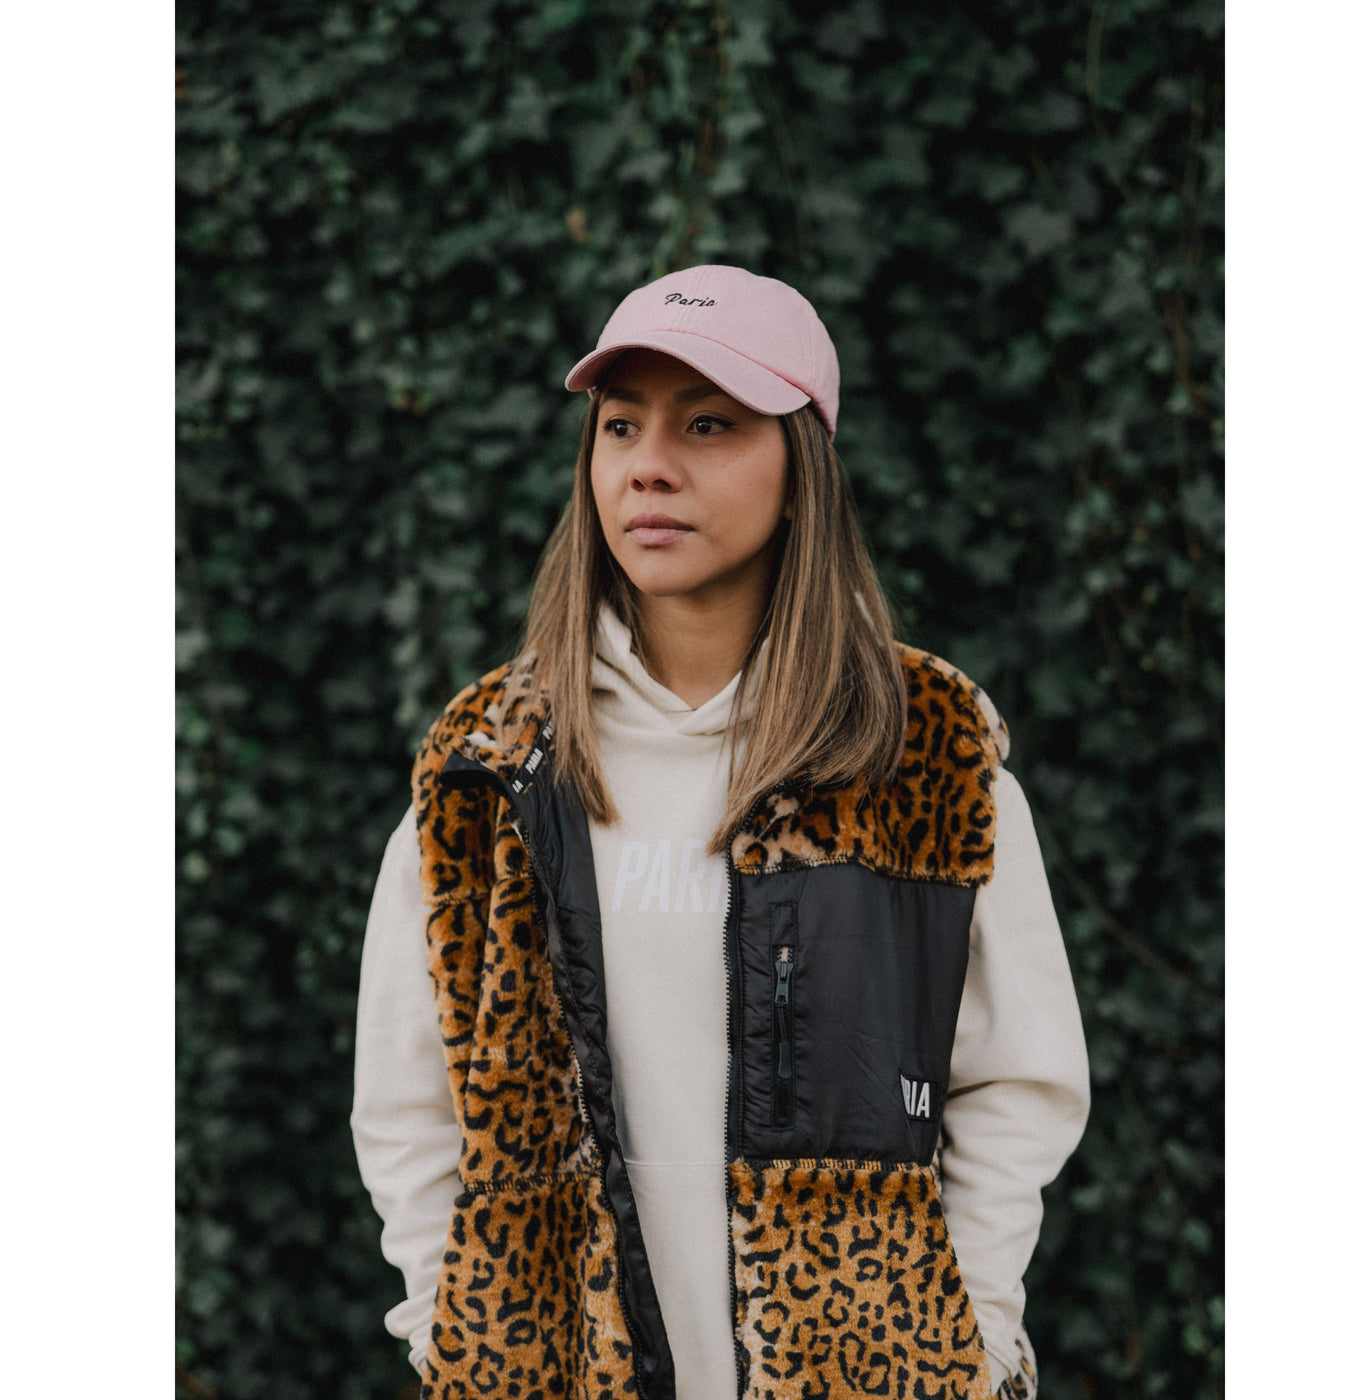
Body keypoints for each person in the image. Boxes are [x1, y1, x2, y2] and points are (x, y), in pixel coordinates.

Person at [351, 265, 1090, 1400]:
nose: (648, 462)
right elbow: (409, 1096)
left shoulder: (920, 746)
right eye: (618, 425)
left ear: (801, 468)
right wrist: (442, 1325)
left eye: (708, 423)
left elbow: (1019, 1079)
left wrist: (971, 1338)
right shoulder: (490, 763)